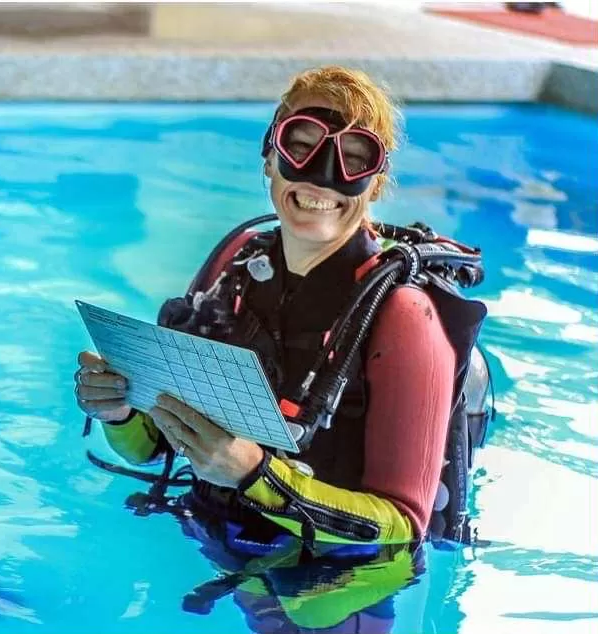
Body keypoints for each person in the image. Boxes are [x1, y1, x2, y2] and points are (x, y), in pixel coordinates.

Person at [73, 66, 494, 562]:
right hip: (213, 535)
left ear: (376, 185)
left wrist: (255, 475)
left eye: (354, 158)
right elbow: (155, 447)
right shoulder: (235, 267)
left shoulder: (405, 316)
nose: (322, 176)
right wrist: (120, 411)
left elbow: (404, 528)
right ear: (270, 157)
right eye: (301, 145)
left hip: (339, 575)